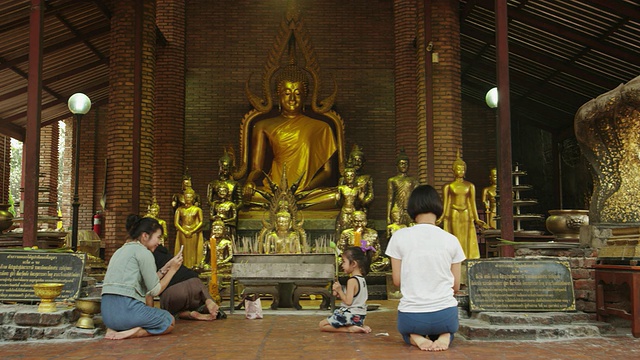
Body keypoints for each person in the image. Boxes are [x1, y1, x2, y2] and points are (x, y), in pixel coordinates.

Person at [386, 185, 465, 351]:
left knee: (406, 332)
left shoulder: (399, 236)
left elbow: (397, 281)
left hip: (412, 316)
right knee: (447, 328)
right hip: (445, 315)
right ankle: (445, 336)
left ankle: (415, 337)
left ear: (412, 208)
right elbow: (456, 285)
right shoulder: (451, 240)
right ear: (438, 207)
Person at [245, 62, 337, 201]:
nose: (292, 99)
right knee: (242, 194)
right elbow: (256, 169)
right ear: (278, 95)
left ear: (305, 97)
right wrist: (249, 183)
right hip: (274, 190)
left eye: (298, 93)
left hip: (305, 192)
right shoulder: (262, 125)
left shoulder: (321, 127)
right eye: (287, 93)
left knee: (335, 196)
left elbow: (327, 172)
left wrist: (304, 189)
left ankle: (296, 200)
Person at [101, 215, 183, 340]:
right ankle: (134, 332)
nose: (159, 242)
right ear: (145, 236)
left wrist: (165, 268)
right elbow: (155, 290)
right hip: (127, 310)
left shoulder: (120, 251)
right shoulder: (144, 253)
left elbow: (147, 284)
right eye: (158, 237)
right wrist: (173, 270)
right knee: (169, 321)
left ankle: (117, 329)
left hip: (108, 316)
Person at [152, 244, 223, 321]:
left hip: (174, 291)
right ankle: (208, 301)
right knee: (198, 304)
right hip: (195, 282)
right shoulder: (163, 251)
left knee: (170, 313)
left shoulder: (146, 254)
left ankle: (188, 314)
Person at [437, 151, 486, 259]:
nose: (461, 171)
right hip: (454, 211)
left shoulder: (470, 186)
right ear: (454, 170)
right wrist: (441, 217)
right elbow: (446, 203)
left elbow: (472, 202)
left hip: (466, 212)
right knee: (455, 236)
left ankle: (466, 256)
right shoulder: (449, 186)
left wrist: (477, 219)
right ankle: (455, 257)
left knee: (466, 235)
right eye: (458, 169)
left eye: (463, 169)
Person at [319, 246, 373, 334]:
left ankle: (349, 329)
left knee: (322, 325)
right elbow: (355, 298)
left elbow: (348, 302)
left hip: (350, 315)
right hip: (360, 316)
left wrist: (340, 290)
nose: (342, 265)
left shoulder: (352, 281)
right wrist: (339, 293)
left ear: (354, 264)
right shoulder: (362, 280)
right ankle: (359, 325)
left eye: (344, 262)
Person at [387, 149, 419, 237]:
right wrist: (388, 216)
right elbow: (390, 199)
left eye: (406, 164)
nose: (404, 166)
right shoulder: (392, 180)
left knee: (412, 232)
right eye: (401, 163)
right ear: (397, 165)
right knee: (396, 232)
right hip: (397, 208)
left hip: (410, 209)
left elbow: (416, 198)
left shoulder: (413, 181)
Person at [174, 187, 204, 268]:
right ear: (184, 198)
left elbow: (201, 222)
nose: (188, 199)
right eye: (186, 197)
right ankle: (183, 267)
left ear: (193, 198)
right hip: (183, 231)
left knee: (193, 250)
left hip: (193, 231)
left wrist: (193, 231)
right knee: (183, 250)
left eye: (190, 197)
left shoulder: (197, 209)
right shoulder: (179, 210)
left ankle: (194, 266)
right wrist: (184, 231)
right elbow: (176, 223)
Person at [335, 165, 362, 238]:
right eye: (347, 176)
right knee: (344, 229)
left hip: (354, 211)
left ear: (355, 177)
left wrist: (360, 198)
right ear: (344, 178)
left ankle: (357, 246)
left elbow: (359, 204)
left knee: (357, 230)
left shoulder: (358, 189)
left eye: (352, 176)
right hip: (345, 210)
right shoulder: (341, 188)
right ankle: (343, 245)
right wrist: (338, 199)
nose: (349, 178)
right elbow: (338, 204)